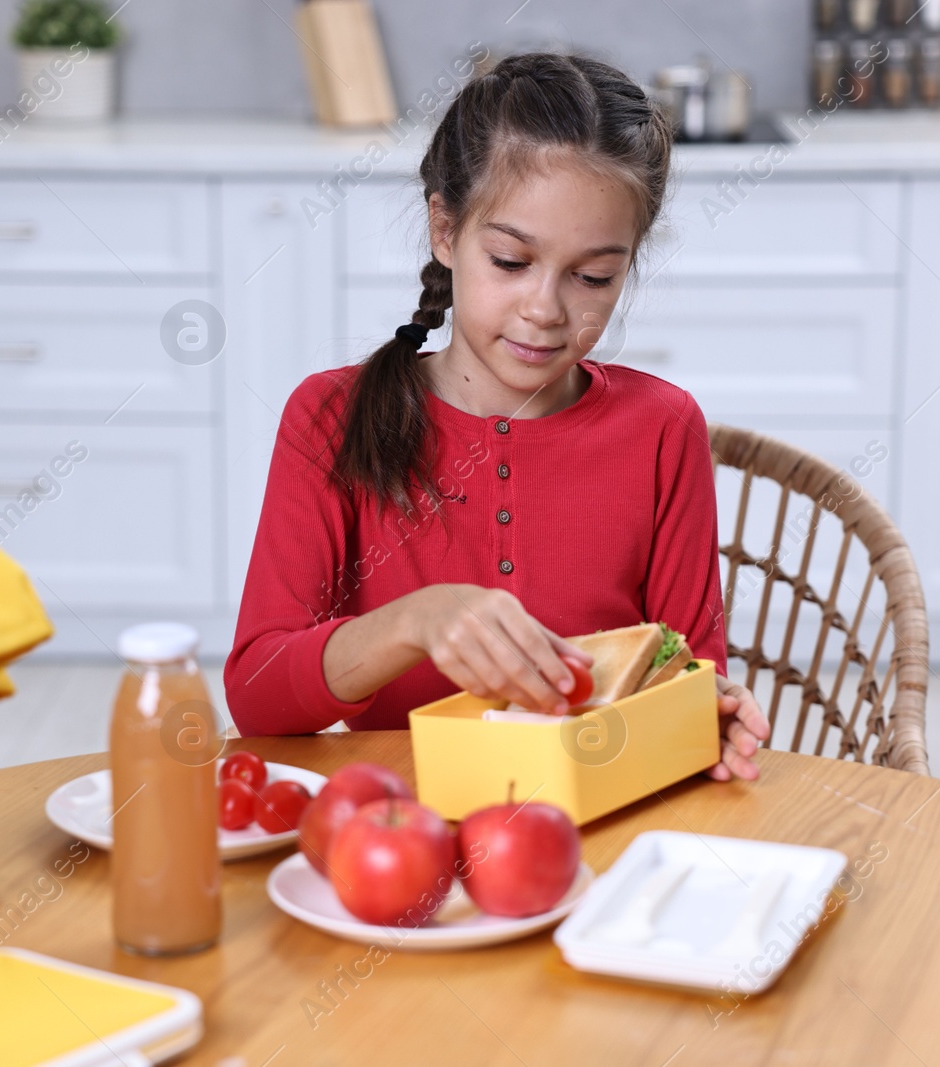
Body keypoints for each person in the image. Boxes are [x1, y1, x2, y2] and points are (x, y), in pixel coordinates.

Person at [224, 51, 769, 782]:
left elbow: (684, 669)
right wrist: (414, 621)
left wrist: (708, 710)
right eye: (511, 261)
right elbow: (258, 696)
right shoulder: (331, 417)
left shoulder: (664, 429)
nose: (545, 310)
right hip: (390, 832)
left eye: (593, 276)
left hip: (596, 827)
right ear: (445, 231)